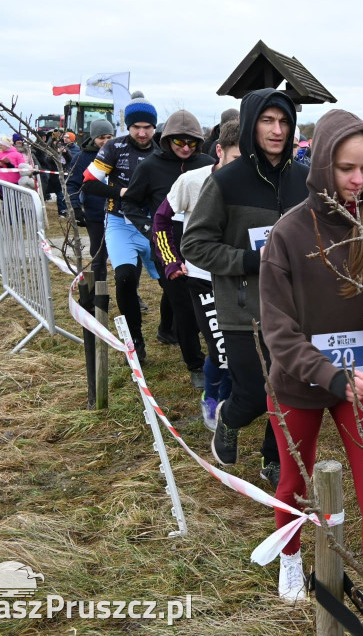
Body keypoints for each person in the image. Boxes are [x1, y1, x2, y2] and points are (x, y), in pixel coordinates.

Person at [259, 108, 363, 605]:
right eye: (346, 169)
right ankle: (291, 558)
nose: (358, 180)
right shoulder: (288, 235)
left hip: (360, 381)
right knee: (295, 478)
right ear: (321, 165)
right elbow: (278, 331)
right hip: (299, 382)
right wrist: (329, 376)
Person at [182, 88, 309, 486]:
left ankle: (273, 460)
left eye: (284, 122)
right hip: (242, 308)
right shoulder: (227, 182)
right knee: (255, 393)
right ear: (252, 124)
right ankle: (230, 417)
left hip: (294, 308)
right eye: (268, 121)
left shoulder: (304, 180)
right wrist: (251, 261)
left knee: (286, 391)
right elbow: (194, 244)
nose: (277, 130)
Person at [152, 119, 240, 431]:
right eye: (235, 160)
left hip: (242, 277)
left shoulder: (256, 184)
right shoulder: (192, 181)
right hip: (203, 276)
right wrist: (171, 261)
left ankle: (230, 404)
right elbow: (161, 220)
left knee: (240, 347)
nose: (239, 170)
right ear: (219, 151)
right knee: (222, 348)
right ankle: (213, 399)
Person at [124, 110, 214, 388]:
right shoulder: (150, 166)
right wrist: (149, 229)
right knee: (183, 305)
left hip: (202, 240)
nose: (186, 148)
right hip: (166, 241)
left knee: (209, 304)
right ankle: (195, 364)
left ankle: (217, 356)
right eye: (179, 143)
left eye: (192, 143)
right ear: (167, 140)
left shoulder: (209, 163)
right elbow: (131, 203)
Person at [81, 97, 161, 363]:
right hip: (120, 221)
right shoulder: (115, 147)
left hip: (155, 223)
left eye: (147, 127)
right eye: (136, 126)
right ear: (127, 126)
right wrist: (123, 192)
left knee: (173, 281)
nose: (142, 132)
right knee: (125, 278)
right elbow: (89, 183)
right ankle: (135, 342)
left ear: (154, 126)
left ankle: (169, 329)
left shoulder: (162, 148)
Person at [66, 119, 116, 281]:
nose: (106, 141)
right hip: (96, 214)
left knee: (125, 256)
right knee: (99, 255)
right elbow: (72, 185)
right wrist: (75, 208)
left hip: (119, 214)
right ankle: (99, 294)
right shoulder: (82, 158)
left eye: (110, 137)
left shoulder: (119, 154)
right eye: (102, 137)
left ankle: (131, 293)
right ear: (93, 137)